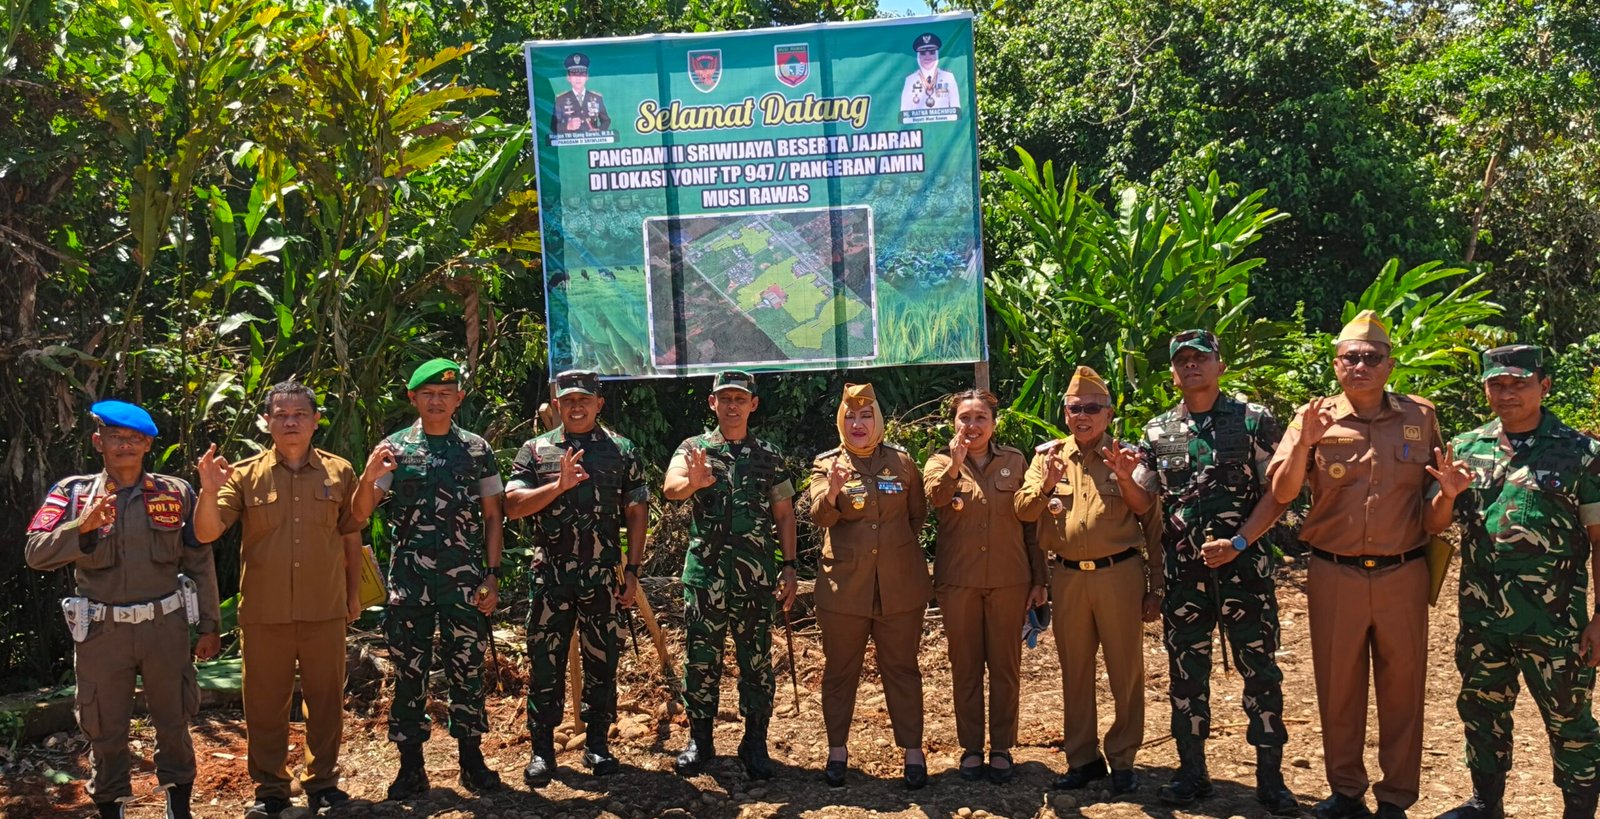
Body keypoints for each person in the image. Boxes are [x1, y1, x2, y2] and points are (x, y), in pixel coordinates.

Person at [1268, 311, 1445, 819]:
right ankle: (1346, 791)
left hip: (1403, 572)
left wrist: (1450, 498)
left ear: (1389, 365)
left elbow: (1435, 497)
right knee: (1338, 686)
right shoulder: (1313, 417)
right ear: (1336, 364)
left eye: (1371, 357)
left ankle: (1395, 797)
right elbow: (1282, 491)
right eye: (1351, 357)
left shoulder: (1421, 416)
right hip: (1334, 572)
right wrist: (1305, 442)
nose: (1360, 366)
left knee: (1403, 687)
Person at [1122, 330, 1299, 814]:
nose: (1191, 365)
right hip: (1185, 575)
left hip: (1245, 571)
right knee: (1185, 675)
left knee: (1260, 673)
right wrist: (1121, 476)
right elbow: (1143, 499)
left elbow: (1280, 491)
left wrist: (1240, 541)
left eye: (1200, 358)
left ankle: (1271, 779)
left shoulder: (1253, 420)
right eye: (1182, 360)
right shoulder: (1158, 430)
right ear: (1172, 372)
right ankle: (1191, 772)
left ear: (1220, 365)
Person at [25, 400, 222, 819]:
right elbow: (35, 553)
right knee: (105, 728)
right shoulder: (74, 494)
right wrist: (82, 527)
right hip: (102, 633)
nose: (125, 445)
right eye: (115, 437)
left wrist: (209, 625)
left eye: (135, 438)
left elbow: (199, 559)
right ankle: (111, 807)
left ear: (148, 444)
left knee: (174, 720)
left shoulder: (174, 492)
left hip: (164, 628)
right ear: (99, 441)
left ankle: (179, 809)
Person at [1428, 345, 1600, 819]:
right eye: (1496, 384)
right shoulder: (1466, 448)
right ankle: (1486, 803)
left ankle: (1578, 811)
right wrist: (1447, 495)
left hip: (1556, 623)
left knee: (1570, 721)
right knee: (1482, 712)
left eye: (1519, 383)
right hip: (1483, 618)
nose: (1507, 393)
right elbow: (1432, 525)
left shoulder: (1581, 453)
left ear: (1543, 386)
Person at [192, 381, 366, 818]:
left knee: (326, 701)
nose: (291, 422)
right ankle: (271, 788)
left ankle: (322, 783)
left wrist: (354, 595)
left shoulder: (340, 471)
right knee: (265, 706)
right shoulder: (244, 475)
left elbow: (350, 536)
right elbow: (207, 532)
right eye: (281, 415)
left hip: (324, 608)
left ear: (316, 421)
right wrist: (208, 490)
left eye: (300, 414)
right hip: (265, 613)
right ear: (266, 422)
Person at [350, 358, 504, 800]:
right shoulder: (394, 450)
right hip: (410, 585)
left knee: (467, 670)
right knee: (408, 675)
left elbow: (494, 516)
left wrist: (493, 576)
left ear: (458, 399)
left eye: (445, 394)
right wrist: (369, 475)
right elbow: (360, 513)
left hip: (465, 585)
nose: (436, 401)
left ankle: (472, 761)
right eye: (428, 394)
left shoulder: (477, 450)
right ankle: (411, 768)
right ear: (413, 398)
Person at [1017, 365, 1162, 798]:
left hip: (1120, 575)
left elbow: (1150, 518)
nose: (1083, 416)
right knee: (1075, 671)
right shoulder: (1048, 458)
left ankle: (1123, 758)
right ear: (1065, 413)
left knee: (1125, 671)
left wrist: (1156, 587)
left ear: (1109, 414)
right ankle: (1082, 758)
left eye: (1093, 408)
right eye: (1075, 408)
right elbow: (1024, 513)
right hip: (1067, 578)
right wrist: (1046, 486)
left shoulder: (1128, 456)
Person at [505, 369, 648, 785]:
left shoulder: (621, 451)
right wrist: (558, 486)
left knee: (602, 660)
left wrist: (633, 570)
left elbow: (636, 511)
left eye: (584, 399)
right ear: (557, 405)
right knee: (544, 663)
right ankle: (542, 751)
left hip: (602, 578)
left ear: (598, 403)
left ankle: (597, 744)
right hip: (550, 578)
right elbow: (512, 505)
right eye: (568, 400)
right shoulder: (535, 450)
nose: (577, 406)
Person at [664, 370, 799, 780]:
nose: (733, 405)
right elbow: (670, 488)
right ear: (713, 403)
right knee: (701, 660)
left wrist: (790, 566)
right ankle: (700, 741)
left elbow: (784, 514)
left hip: (755, 578)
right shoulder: (694, 449)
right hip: (706, 577)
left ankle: (754, 742)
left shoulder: (769, 454)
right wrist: (693, 482)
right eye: (725, 398)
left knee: (756, 662)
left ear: (753, 404)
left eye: (740, 398)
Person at [807, 382, 931, 789]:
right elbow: (820, 516)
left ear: (877, 419)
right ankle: (837, 751)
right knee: (840, 671)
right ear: (840, 421)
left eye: (865, 416)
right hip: (845, 589)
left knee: (903, 669)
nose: (857, 424)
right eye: (850, 416)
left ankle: (913, 752)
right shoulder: (826, 465)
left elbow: (916, 516)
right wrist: (834, 490)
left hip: (900, 587)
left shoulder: (902, 462)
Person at [922, 388, 1046, 784]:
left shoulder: (1015, 461)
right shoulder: (938, 462)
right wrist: (956, 465)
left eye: (980, 418)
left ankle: (1002, 747)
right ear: (953, 422)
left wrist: (1040, 579)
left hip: (1010, 580)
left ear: (994, 424)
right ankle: (972, 747)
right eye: (964, 417)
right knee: (966, 666)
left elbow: (1031, 524)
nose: (972, 425)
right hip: (959, 583)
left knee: (1006, 666)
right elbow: (936, 499)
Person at [899, 32, 960, 112]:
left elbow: (956, 110)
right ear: (918, 56)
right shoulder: (910, 80)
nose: (927, 57)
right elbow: (904, 113)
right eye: (923, 53)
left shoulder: (948, 77)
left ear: (937, 55)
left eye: (932, 52)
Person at [552, 52, 610, 133]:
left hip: (592, 140)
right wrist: (567, 126)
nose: (578, 78)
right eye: (574, 74)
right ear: (568, 78)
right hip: (570, 140)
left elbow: (606, 121)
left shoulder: (597, 98)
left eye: (582, 74)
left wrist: (599, 130)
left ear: (587, 77)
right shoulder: (560, 100)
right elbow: (553, 126)